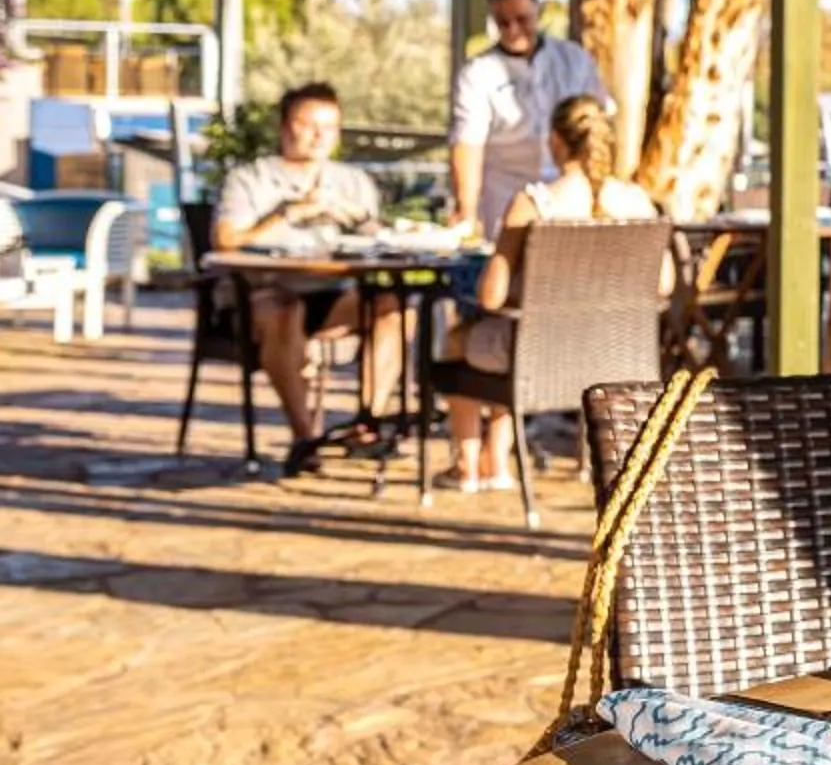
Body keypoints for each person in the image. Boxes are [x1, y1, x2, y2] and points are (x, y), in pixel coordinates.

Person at [440, 95, 663, 492]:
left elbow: (491, 296)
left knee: (459, 341)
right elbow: (662, 285)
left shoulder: (534, 203)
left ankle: (470, 467)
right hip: (617, 353)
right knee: (500, 339)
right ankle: (496, 461)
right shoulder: (636, 201)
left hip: (540, 355)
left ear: (555, 141)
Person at [211, 82, 400, 469]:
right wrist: (284, 214)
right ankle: (304, 437)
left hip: (333, 291)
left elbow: (381, 243)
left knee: (392, 310)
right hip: (264, 293)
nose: (319, 136)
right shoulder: (250, 180)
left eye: (329, 127)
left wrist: (362, 221)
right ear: (284, 127)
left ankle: (367, 423)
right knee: (284, 311)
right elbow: (225, 241)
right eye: (309, 124)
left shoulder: (353, 182)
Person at [448, 0, 610, 242]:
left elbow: (598, 121)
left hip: (567, 191)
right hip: (505, 190)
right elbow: (468, 142)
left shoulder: (574, 59)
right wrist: (466, 209)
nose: (513, 30)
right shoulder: (478, 72)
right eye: (503, 23)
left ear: (537, 10)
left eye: (522, 19)